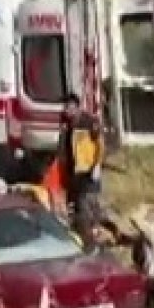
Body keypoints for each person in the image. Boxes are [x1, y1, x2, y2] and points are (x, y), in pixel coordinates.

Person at [57, 93, 104, 250]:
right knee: (75, 207)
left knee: (88, 205)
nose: (66, 111)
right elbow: (64, 149)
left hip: (88, 171)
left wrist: (97, 165)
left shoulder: (89, 122)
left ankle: (93, 240)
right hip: (74, 172)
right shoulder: (66, 124)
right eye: (64, 108)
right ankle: (83, 238)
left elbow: (100, 144)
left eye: (68, 107)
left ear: (76, 107)